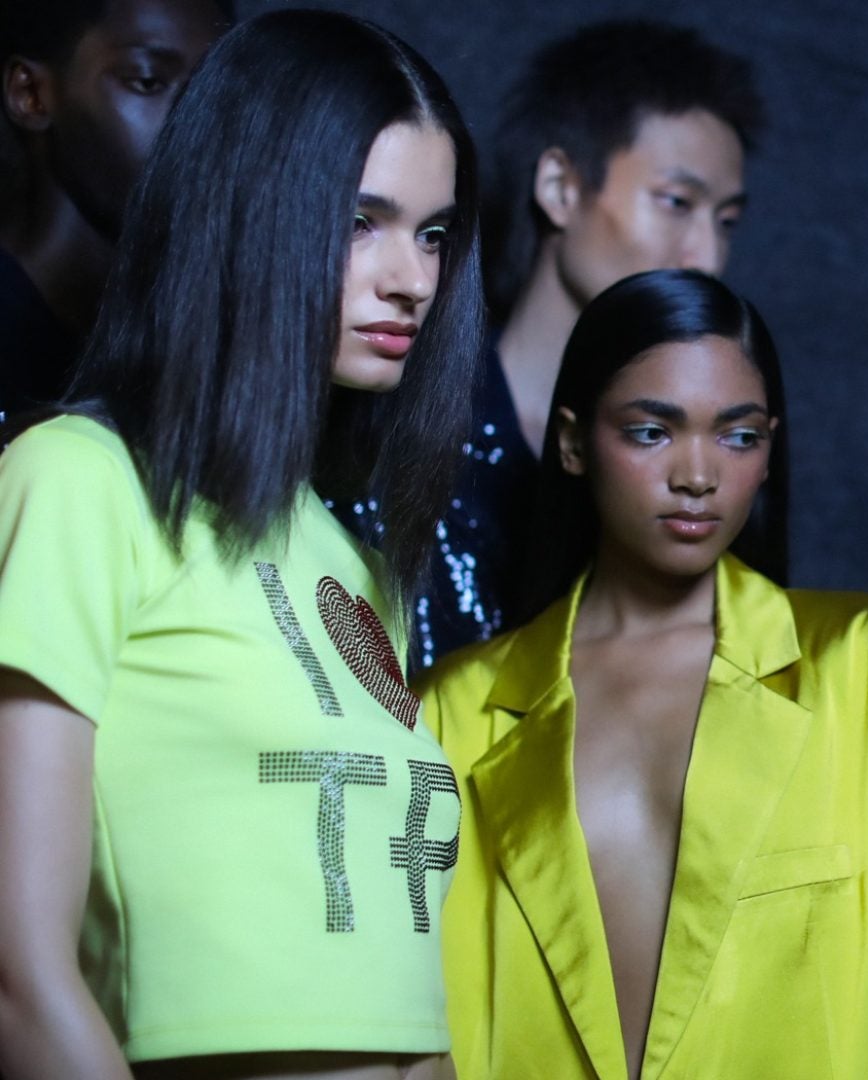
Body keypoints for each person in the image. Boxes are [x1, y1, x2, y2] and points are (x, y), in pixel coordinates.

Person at [0, 10, 483, 1078]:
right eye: (361, 220)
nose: (413, 278)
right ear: (250, 209)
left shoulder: (356, 568)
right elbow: (18, 976)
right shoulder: (77, 482)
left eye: (434, 233)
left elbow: (407, 1002)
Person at [417, 269, 868, 1079]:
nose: (698, 475)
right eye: (652, 432)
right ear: (572, 443)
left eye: (738, 437)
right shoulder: (454, 710)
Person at [391, 19, 764, 668]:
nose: (707, 256)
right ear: (561, 187)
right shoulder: (402, 416)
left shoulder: (706, 466)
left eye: (726, 221)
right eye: (678, 202)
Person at [0, 0, 228, 423]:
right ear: (30, 95)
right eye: (148, 81)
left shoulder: (202, 336)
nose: (196, 124)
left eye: (213, 94)